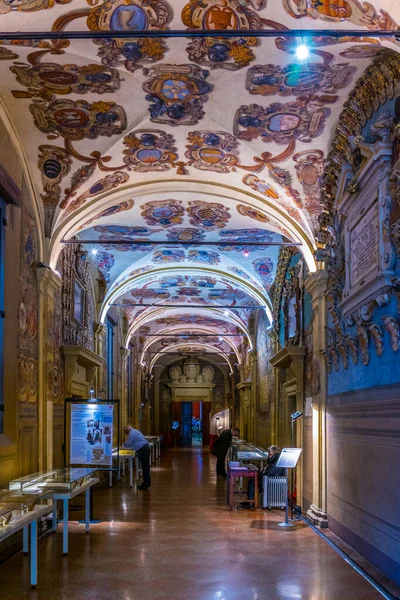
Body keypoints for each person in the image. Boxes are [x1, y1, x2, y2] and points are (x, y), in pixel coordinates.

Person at [122, 425, 151, 490]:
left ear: (127, 430)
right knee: (145, 467)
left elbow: (128, 443)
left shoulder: (132, 433)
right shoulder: (135, 431)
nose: (125, 434)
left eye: (125, 432)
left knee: (145, 468)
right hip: (144, 449)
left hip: (144, 450)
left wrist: (123, 445)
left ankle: (146, 484)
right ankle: (146, 483)